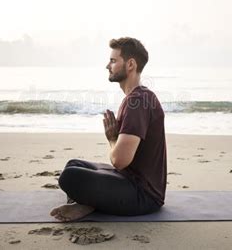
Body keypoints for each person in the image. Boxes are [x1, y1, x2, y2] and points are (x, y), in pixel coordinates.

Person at [50, 37, 167, 222]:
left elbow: (120, 161)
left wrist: (112, 138)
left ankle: (88, 204)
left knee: (70, 177)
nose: (107, 66)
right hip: (129, 179)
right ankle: (87, 203)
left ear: (130, 64)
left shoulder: (137, 102)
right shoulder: (138, 97)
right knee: (74, 165)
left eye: (113, 61)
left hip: (143, 195)